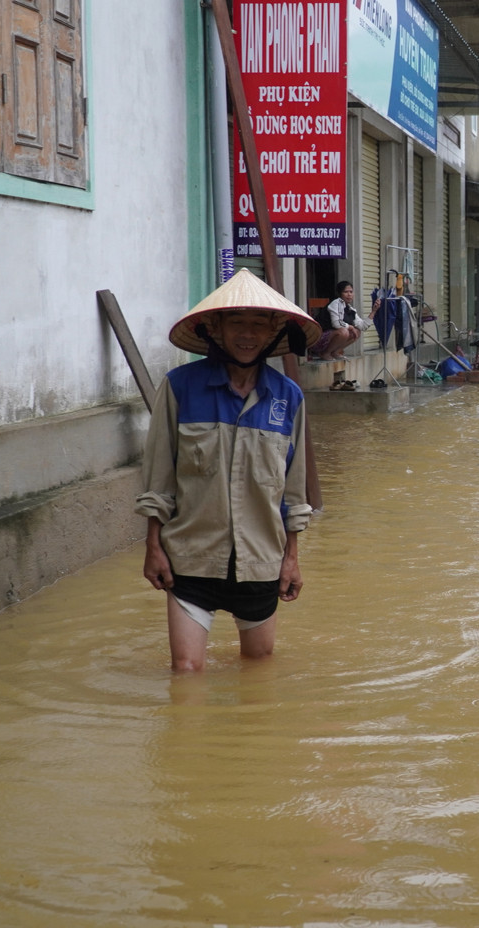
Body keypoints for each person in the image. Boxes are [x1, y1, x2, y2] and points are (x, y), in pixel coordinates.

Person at [135, 269, 323, 672]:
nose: (248, 334)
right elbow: (159, 479)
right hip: (191, 558)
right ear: (215, 329)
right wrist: (153, 546)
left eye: (259, 325)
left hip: (261, 559)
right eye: (237, 322)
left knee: (258, 667)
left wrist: (292, 558)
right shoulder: (180, 387)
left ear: (274, 333)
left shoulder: (288, 398)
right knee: (186, 671)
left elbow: (293, 492)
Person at [308, 280, 370, 360]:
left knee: (357, 332)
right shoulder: (335, 303)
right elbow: (336, 324)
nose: (349, 294)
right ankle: (325, 353)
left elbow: (363, 327)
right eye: (346, 292)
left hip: (329, 338)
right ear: (340, 294)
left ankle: (334, 352)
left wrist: (373, 312)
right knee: (344, 332)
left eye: (351, 292)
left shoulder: (350, 309)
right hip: (317, 340)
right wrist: (350, 327)